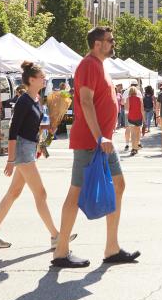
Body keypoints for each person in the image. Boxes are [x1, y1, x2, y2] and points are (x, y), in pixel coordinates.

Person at [52, 26, 138, 269]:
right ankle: (60, 252)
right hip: (92, 141)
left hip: (102, 142)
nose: (113, 43)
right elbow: (87, 102)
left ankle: (112, 248)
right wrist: (100, 137)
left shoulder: (100, 66)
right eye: (110, 40)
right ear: (98, 44)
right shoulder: (89, 65)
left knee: (119, 185)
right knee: (76, 192)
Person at [0, 64, 65, 250]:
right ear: (32, 80)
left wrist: (46, 131)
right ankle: (56, 236)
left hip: (29, 147)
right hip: (22, 149)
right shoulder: (23, 101)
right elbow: (13, 131)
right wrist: (11, 160)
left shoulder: (36, 99)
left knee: (13, 193)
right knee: (40, 193)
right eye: (42, 76)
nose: (45, 79)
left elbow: (31, 127)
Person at [124, 84, 143, 156]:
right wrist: (144, 120)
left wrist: (126, 104)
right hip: (139, 117)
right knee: (138, 133)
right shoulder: (140, 99)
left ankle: (133, 148)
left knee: (133, 134)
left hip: (131, 117)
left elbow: (127, 109)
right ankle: (136, 147)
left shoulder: (128, 99)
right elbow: (142, 110)